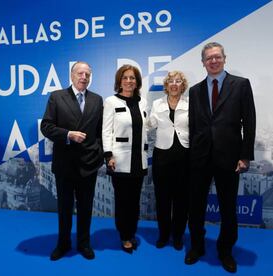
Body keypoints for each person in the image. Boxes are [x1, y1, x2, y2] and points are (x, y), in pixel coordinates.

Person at [185, 42, 256, 273]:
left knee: (228, 208)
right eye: (209, 58)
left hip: (230, 157)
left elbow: (250, 122)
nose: (213, 61)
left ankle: (225, 251)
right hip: (200, 158)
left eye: (217, 57)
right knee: (195, 206)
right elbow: (194, 126)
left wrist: (245, 156)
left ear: (224, 58)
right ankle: (196, 247)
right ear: (203, 62)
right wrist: (193, 154)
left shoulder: (241, 85)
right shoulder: (195, 90)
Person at [40, 61, 103, 261]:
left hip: (89, 163)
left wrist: (99, 154)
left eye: (87, 74)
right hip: (65, 164)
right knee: (65, 208)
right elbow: (46, 127)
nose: (84, 77)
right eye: (80, 73)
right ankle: (63, 243)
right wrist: (68, 134)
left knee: (86, 207)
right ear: (72, 75)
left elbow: (101, 132)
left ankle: (84, 244)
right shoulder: (57, 97)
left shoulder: (97, 99)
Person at [102, 64, 148, 254]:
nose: (129, 81)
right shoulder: (111, 101)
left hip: (139, 160)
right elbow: (106, 131)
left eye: (132, 78)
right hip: (119, 160)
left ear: (137, 82)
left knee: (135, 200)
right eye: (125, 78)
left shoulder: (143, 102)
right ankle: (124, 235)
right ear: (119, 81)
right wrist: (108, 155)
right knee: (123, 201)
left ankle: (132, 232)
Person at [148, 71, 189, 250]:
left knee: (182, 200)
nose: (174, 84)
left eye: (178, 81)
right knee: (162, 199)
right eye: (170, 81)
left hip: (185, 156)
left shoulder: (191, 104)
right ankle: (164, 235)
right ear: (166, 85)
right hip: (162, 156)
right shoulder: (157, 104)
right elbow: (150, 124)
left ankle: (178, 236)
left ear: (182, 85)